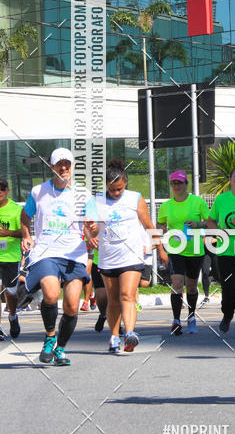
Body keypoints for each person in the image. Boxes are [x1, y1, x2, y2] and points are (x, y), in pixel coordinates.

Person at [21, 148, 97, 366]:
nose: (64, 168)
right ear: (51, 167)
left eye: (67, 164)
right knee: (52, 294)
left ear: (72, 166)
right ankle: (49, 336)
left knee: (72, 306)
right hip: (46, 252)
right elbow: (25, 215)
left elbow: (92, 225)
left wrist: (92, 233)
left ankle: (60, 348)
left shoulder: (84, 194)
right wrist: (26, 235)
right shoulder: (38, 192)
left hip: (74, 254)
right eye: (59, 165)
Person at [91, 159, 167, 353]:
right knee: (113, 299)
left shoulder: (135, 198)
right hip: (108, 256)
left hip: (131, 256)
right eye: (112, 189)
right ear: (106, 186)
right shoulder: (97, 200)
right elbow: (88, 226)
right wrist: (90, 235)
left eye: (119, 189)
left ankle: (130, 333)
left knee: (127, 295)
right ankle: (114, 337)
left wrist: (160, 249)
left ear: (125, 184)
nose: (116, 193)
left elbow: (148, 225)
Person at [157, 171, 210, 335]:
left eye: (180, 183)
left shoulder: (198, 202)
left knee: (192, 286)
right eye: (174, 183)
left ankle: (192, 316)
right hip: (175, 250)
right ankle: (176, 320)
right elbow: (160, 227)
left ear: (186, 184)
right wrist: (160, 248)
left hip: (194, 251)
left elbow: (209, 222)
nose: (177, 186)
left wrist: (198, 224)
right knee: (177, 284)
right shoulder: (166, 206)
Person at [207, 167, 235, 338]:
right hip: (225, 251)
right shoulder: (221, 199)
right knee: (228, 287)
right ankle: (227, 315)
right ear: (230, 179)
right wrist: (218, 232)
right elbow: (211, 220)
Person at [0, 178, 23, 340]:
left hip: (11, 257)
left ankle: (13, 316)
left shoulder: (15, 209)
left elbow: (24, 232)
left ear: (7, 191)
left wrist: (8, 233)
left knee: (11, 293)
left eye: (2, 189)